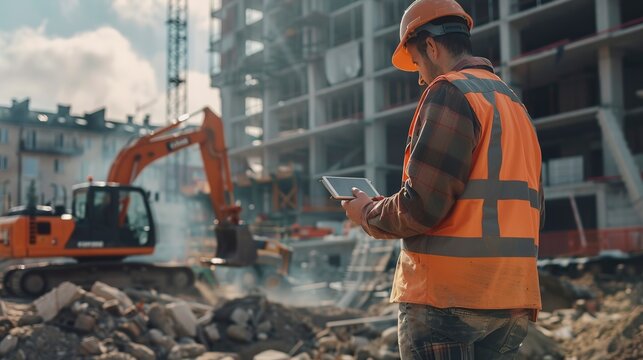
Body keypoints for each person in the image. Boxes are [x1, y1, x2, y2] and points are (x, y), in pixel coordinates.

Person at [341, 0, 544, 358]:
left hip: (448, 300)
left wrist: (367, 213)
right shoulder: (513, 104)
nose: (420, 77)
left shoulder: (450, 91)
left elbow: (421, 207)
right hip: (511, 298)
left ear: (431, 46)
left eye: (418, 62)